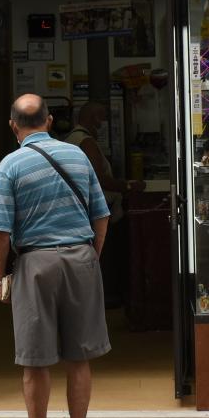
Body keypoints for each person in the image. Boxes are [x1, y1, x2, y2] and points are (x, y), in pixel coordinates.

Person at [0, 94, 111, 418]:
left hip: (35, 264)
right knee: (80, 356)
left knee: (35, 359)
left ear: (13, 125)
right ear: (50, 120)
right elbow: (101, 215)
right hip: (81, 257)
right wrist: (90, 256)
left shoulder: (10, 165)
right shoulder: (78, 156)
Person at [63, 102, 142, 308]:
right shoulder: (85, 141)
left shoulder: (71, 139)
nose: (104, 123)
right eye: (101, 117)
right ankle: (103, 297)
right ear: (93, 119)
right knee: (103, 256)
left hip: (78, 208)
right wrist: (127, 186)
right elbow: (99, 179)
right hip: (95, 210)